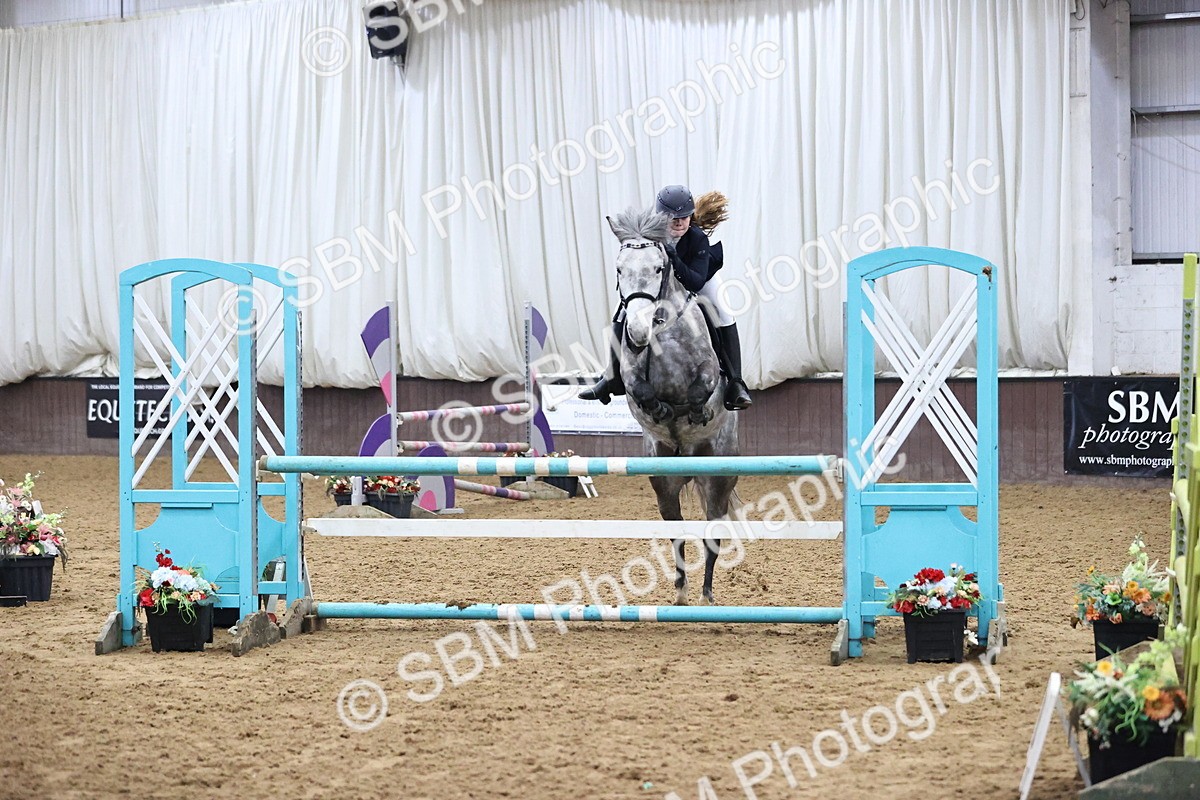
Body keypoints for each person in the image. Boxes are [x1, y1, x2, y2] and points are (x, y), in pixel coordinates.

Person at [579, 184, 752, 410]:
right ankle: (610, 377)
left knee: (724, 312)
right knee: (621, 312)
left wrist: (675, 260)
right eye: (673, 218)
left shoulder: (697, 238)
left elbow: (696, 281)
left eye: (684, 217)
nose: (679, 223)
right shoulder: (652, 235)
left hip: (699, 277)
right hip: (661, 283)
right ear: (662, 217)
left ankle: (736, 382)